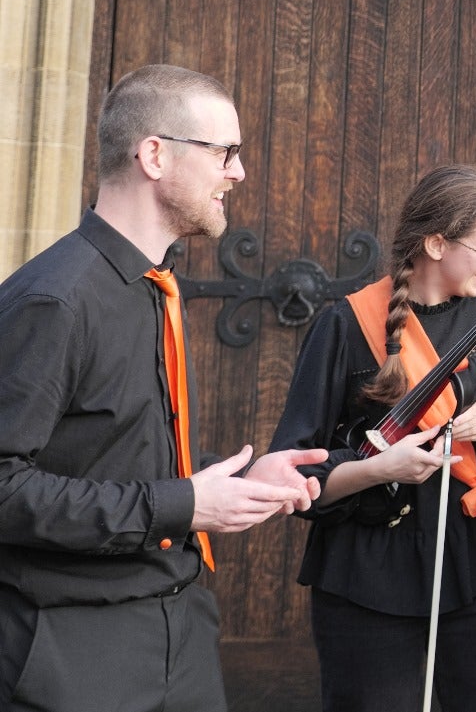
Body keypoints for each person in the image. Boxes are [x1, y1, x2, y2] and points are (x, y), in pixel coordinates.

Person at [0, 64, 325, 711]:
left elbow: (114, 459)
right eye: (224, 152)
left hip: (183, 636)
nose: (236, 172)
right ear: (153, 154)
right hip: (70, 656)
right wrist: (179, 505)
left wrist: (231, 484)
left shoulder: (155, 287)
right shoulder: (53, 301)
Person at [269, 164, 476, 712]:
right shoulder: (346, 326)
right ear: (435, 243)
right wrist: (380, 468)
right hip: (368, 574)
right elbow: (296, 473)